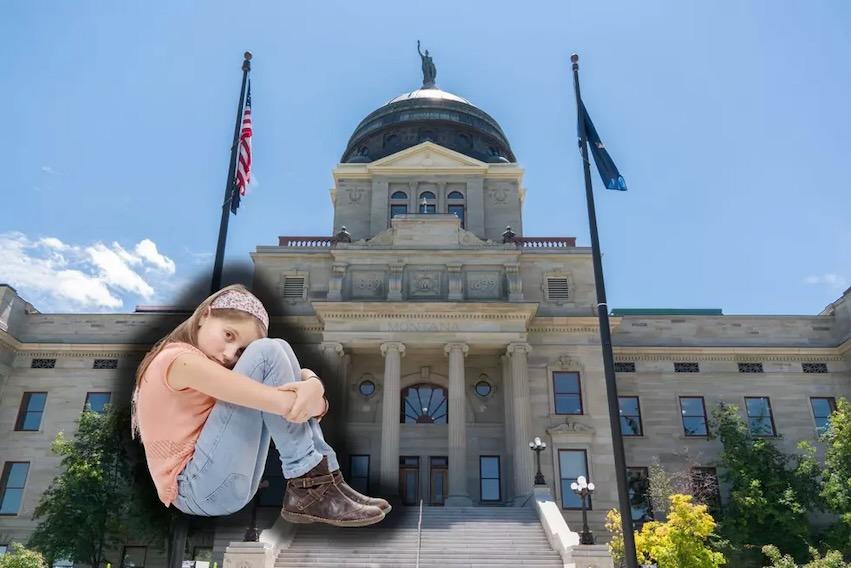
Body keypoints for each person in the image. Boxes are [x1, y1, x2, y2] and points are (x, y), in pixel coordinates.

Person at [131, 283, 389, 526]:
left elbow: (289, 392)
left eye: (241, 351)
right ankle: (311, 484)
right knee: (268, 352)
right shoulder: (178, 360)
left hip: (221, 484)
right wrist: (315, 394)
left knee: (279, 348)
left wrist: (312, 384)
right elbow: (284, 403)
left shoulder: (202, 362)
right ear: (204, 315)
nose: (230, 354)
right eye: (228, 335)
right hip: (195, 487)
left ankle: (326, 479)